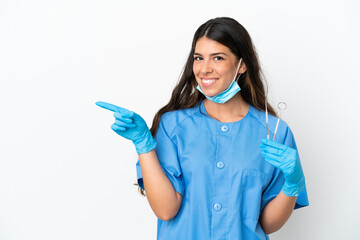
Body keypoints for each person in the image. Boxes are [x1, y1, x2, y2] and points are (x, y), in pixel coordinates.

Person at [96, 17, 309, 240]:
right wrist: (143, 144)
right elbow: (166, 210)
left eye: (217, 58)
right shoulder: (173, 126)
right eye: (199, 58)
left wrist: (293, 184)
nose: (204, 69)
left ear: (242, 65)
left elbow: (267, 224)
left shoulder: (274, 132)